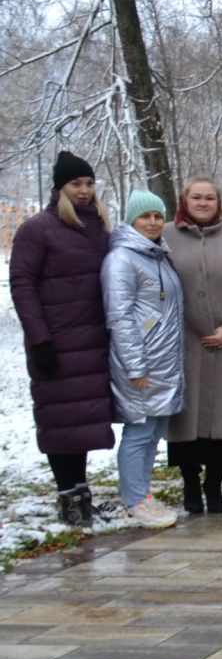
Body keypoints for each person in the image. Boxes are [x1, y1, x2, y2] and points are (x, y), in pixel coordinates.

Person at [9, 151, 114, 526]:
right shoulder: (38, 229)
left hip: (93, 341)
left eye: (88, 184)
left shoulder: (98, 228)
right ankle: (68, 498)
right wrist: (40, 338)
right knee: (59, 421)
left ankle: (82, 496)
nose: (84, 191)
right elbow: (22, 284)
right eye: (76, 184)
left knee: (82, 420)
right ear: (60, 188)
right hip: (55, 342)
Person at [164, 178, 222, 515]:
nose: (203, 203)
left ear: (218, 203)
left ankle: (214, 485)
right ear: (184, 200)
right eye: (196, 197)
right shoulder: (166, 236)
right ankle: (191, 484)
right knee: (186, 421)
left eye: (209, 198)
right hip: (183, 345)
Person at [100, 190, 184, 529]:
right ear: (131, 219)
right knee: (139, 432)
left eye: (157, 216)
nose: (152, 222)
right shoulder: (122, 259)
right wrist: (135, 365)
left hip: (164, 361)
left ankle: (143, 494)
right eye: (144, 216)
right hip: (140, 365)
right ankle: (134, 500)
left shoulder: (158, 255)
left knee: (154, 431)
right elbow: (119, 317)